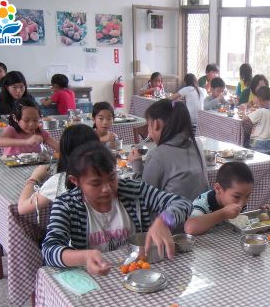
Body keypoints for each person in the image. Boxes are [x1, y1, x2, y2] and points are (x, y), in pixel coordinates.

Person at [42, 142, 193, 275]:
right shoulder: (67, 204)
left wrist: (164, 220)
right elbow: (49, 250)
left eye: (112, 178)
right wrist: (85, 257)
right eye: (96, 183)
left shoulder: (134, 191)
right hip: (96, 279)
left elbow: (182, 203)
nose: (107, 189)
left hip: (139, 272)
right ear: (75, 181)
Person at [129, 99, 208, 201]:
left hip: (176, 211)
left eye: (148, 125)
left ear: (156, 124)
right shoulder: (197, 144)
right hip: (202, 209)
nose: (149, 133)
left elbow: (144, 196)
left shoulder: (157, 154)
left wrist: (136, 164)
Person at [18, 124, 100, 215]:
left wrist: (34, 178)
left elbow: (22, 208)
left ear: (64, 151)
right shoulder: (107, 176)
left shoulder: (60, 181)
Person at [184, 162, 254, 235]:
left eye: (247, 196)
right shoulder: (203, 203)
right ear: (218, 189)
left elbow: (244, 224)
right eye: (236, 196)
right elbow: (190, 228)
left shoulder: (240, 201)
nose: (242, 203)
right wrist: (223, 213)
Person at [240, 86, 270, 153]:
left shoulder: (260, 112)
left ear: (260, 100)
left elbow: (244, 119)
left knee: (244, 142)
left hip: (259, 141)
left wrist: (243, 110)